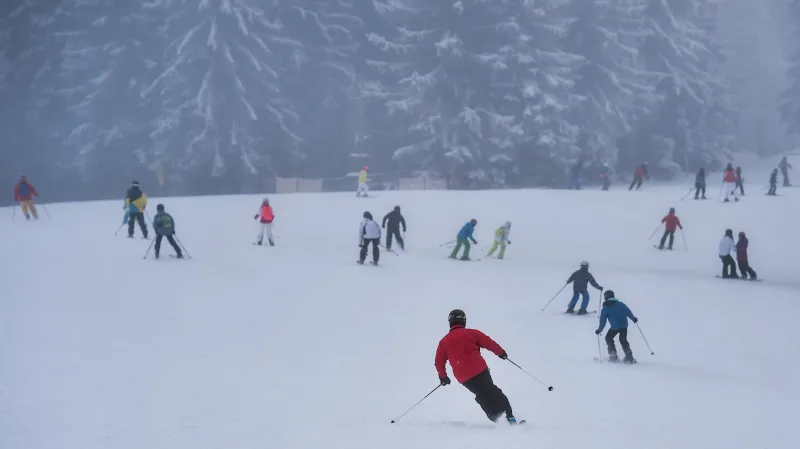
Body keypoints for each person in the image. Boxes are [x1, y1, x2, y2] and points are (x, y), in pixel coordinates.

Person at [435, 309, 519, 424]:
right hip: (479, 369)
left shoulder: (444, 342)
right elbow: (489, 342)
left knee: (482, 394)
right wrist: (501, 353)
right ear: (463, 321)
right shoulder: (472, 333)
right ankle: (509, 417)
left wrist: (443, 377)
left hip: (463, 376)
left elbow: (438, 361)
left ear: (450, 322)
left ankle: (498, 419)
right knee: (492, 391)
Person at [595, 290, 638, 363]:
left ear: (605, 297)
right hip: (623, 326)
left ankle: (613, 356)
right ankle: (629, 357)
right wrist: (633, 318)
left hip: (614, 327)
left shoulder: (605, 308)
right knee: (623, 340)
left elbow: (603, 321)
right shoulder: (620, 304)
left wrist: (599, 330)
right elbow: (628, 311)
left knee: (608, 338)